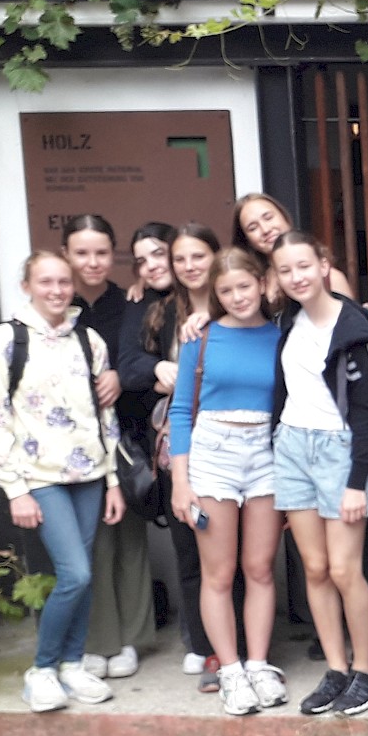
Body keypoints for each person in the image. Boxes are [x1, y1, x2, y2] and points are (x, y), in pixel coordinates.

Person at [0, 251, 125, 712]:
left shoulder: (88, 339)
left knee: (83, 574)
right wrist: (15, 490)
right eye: (46, 282)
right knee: (74, 573)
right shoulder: (6, 339)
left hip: (90, 475)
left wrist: (113, 480)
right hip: (39, 477)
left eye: (63, 281)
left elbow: (105, 415)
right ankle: (41, 670)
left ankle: (72, 665)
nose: (57, 290)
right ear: (27, 286)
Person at [270, 231, 368, 717]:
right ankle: (335, 668)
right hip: (292, 447)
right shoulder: (288, 321)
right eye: (285, 270)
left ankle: (365, 671)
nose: (296, 277)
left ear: (324, 265)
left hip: (339, 451)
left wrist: (355, 482)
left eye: (304, 266)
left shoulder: (355, 326)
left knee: (346, 569)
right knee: (315, 568)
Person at [167, 249, 288, 716]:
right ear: (215, 295)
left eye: (244, 286)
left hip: (266, 452)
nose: (237, 297)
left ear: (261, 283)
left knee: (260, 568)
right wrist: (181, 482)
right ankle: (231, 671)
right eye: (226, 290)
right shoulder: (199, 337)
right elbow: (181, 410)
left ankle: (258, 664)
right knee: (218, 573)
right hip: (212, 454)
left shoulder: (281, 336)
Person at [116, 223, 223, 688]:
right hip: (177, 446)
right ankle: (202, 644)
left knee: (234, 554)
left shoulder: (235, 299)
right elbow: (128, 366)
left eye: (163, 254)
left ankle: (241, 646)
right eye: (143, 261)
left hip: (233, 443)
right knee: (190, 550)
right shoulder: (156, 310)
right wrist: (158, 368)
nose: (183, 266)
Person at [61, 215, 154, 681]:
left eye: (101, 252)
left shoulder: (131, 303)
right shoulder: (57, 305)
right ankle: (98, 641)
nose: (92, 262)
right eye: (82, 253)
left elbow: (147, 361)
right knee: (90, 543)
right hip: (72, 443)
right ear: (66, 255)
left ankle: (133, 639)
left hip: (126, 438)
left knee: (129, 540)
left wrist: (122, 375)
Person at [232, 193, 353, 297]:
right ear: (247, 240)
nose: (265, 229)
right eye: (253, 228)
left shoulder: (329, 278)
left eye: (268, 218)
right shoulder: (253, 285)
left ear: (284, 217)